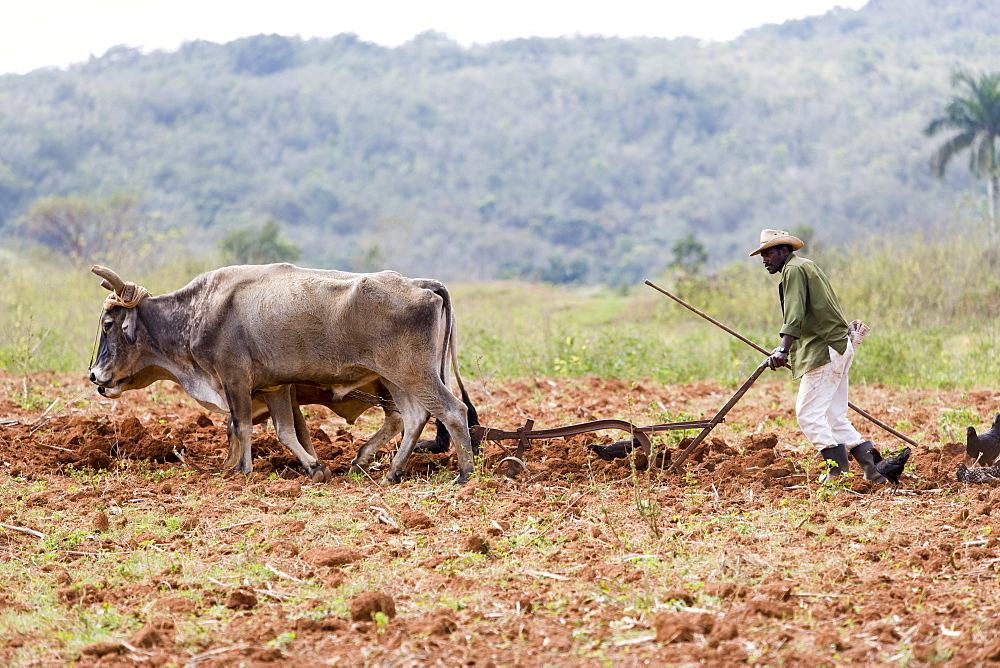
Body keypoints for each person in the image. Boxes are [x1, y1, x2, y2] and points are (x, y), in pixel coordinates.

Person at [750, 229, 886, 484]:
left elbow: (794, 313)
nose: (764, 260)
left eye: (768, 253)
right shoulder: (805, 266)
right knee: (834, 416)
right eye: (762, 255)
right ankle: (875, 468)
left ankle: (837, 472)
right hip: (839, 346)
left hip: (824, 349)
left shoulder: (793, 270)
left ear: (784, 250)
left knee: (808, 414)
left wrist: (783, 349)